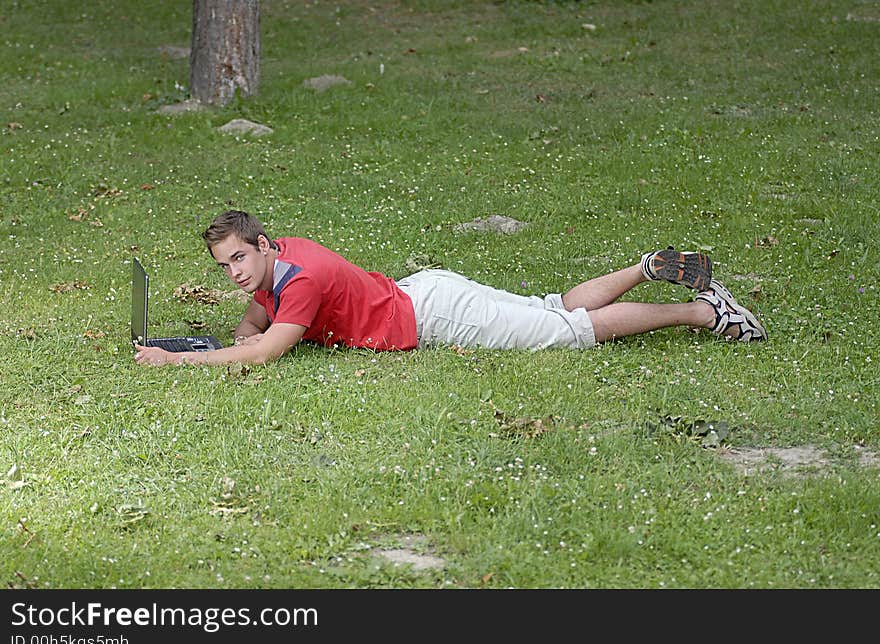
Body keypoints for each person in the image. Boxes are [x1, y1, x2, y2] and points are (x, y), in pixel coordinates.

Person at [133, 210, 767, 367]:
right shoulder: (281, 262)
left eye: (241, 258)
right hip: (427, 291)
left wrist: (178, 360)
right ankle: (646, 268)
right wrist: (218, 345)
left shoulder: (302, 279)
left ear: (264, 246)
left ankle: (699, 311)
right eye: (226, 266)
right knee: (554, 309)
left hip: (436, 317)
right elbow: (254, 326)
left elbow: (268, 350)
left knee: (568, 333)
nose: (237, 273)